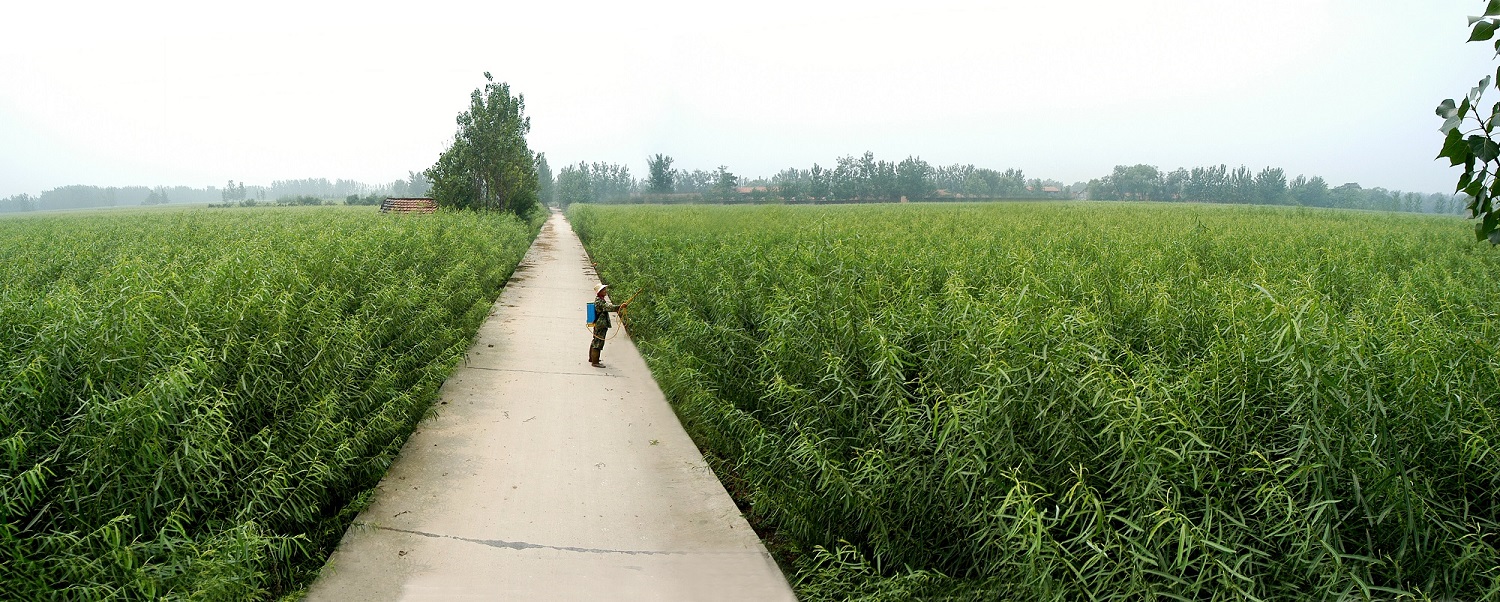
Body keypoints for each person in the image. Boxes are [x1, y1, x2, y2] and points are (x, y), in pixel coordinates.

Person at [589, 283, 626, 368]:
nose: (606, 291)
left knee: (595, 340)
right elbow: (609, 308)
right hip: (601, 324)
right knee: (598, 342)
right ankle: (595, 362)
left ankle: (592, 358)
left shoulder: (599, 300)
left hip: (599, 324)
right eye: (604, 290)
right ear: (600, 292)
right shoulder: (600, 301)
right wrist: (620, 306)